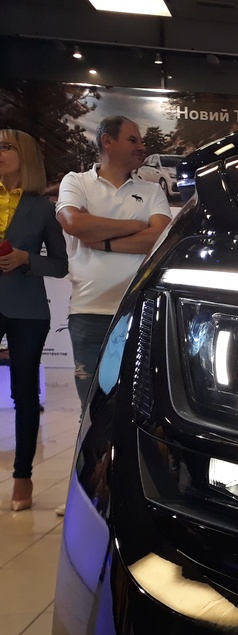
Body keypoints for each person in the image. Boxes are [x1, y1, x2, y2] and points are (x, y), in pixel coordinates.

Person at [54, 116, 171, 517]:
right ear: (107, 141)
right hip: (89, 313)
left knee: (140, 408)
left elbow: (159, 237)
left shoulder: (151, 190)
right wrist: (133, 226)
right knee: (92, 409)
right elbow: (72, 222)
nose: (141, 146)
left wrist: (100, 238)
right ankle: (89, 495)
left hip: (140, 310)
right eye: (133, 139)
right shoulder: (76, 182)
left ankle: (131, 493)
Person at [0, 129, 69, 511]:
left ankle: (22, 477)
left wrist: (27, 259)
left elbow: (59, 264)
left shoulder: (42, 208)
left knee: (24, 394)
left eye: (6, 146)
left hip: (27, 309)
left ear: (24, 155)